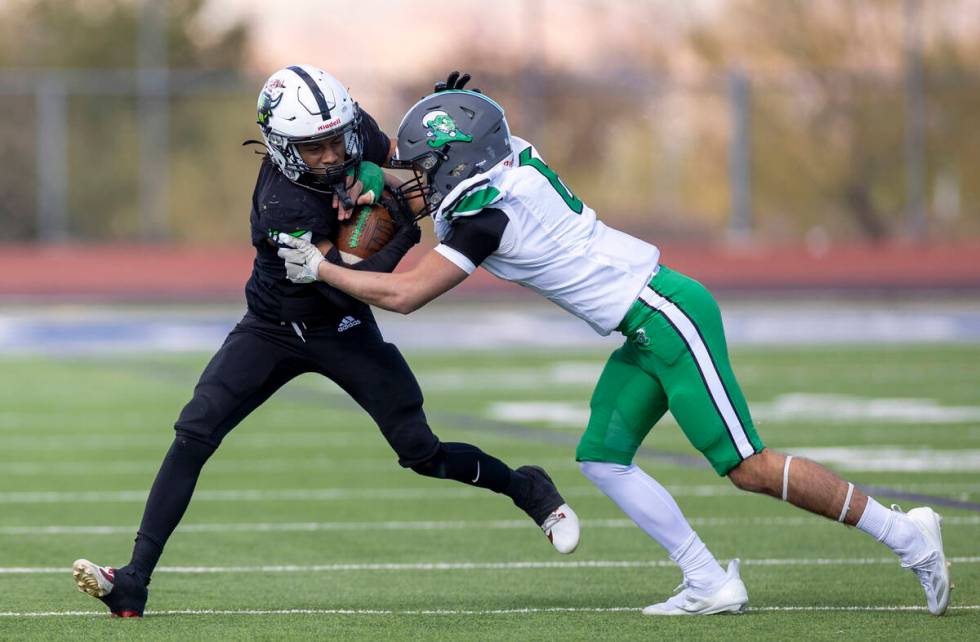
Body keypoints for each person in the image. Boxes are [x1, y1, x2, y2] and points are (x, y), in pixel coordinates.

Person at [277, 82, 952, 616]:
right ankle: (708, 580)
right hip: (642, 324)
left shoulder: (489, 215)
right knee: (602, 456)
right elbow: (433, 163)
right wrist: (372, 164)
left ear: (460, 162)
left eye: (426, 168)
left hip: (667, 315)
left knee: (745, 465)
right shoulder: (511, 158)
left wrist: (323, 269)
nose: (414, 180)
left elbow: (406, 295)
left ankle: (908, 536)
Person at [71, 66, 579, 618]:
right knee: (194, 431)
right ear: (284, 146)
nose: (332, 153)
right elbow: (343, 282)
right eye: (316, 149)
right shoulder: (280, 206)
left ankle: (526, 488)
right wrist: (400, 225)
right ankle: (134, 580)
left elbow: (407, 162)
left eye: (339, 139)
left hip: (342, 331)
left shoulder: (347, 126)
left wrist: (441, 127)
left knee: (421, 451)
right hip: (274, 325)